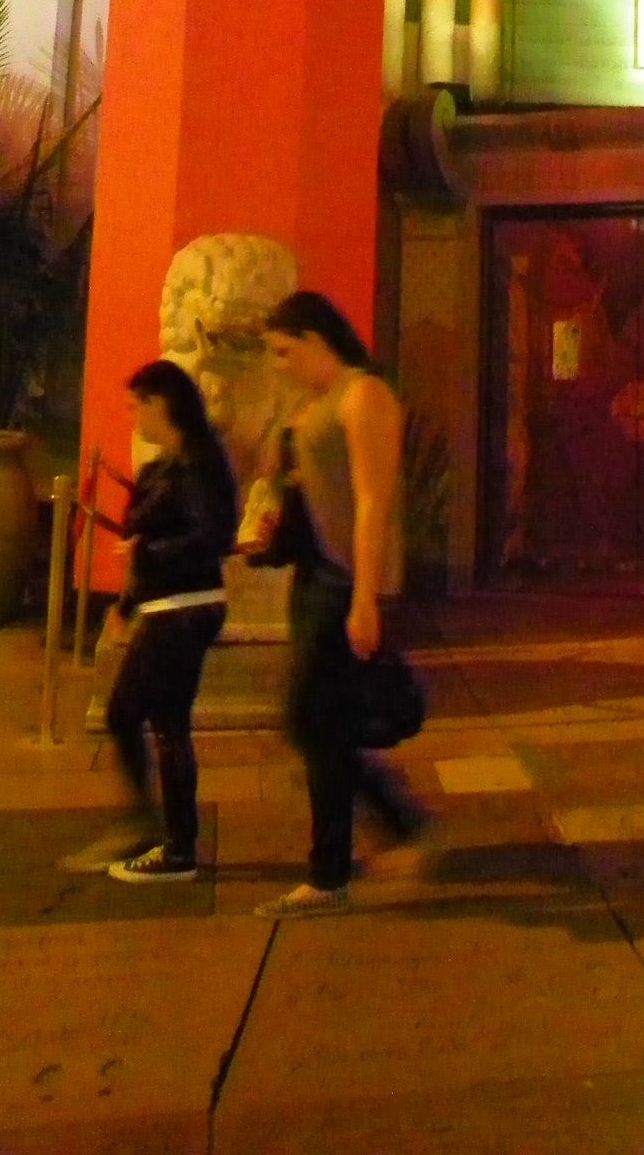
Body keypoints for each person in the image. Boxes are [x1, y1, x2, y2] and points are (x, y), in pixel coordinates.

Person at [246, 288, 429, 917]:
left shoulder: (362, 394)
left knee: (310, 720)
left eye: (284, 351)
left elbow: (375, 500)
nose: (280, 365)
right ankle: (390, 826)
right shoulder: (317, 403)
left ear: (315, 338)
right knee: (317, 722)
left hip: (344, 579)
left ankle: (334, 870)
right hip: (313, 574)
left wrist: (366, 597)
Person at [98, 361, 239, 885]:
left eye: (137, 405)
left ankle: (173, 844)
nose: (133, 417)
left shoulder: (198, 462)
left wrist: (147, 556)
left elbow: (212, 536)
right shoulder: (167, 465)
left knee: (146, 717)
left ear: (160, 403)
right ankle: (165, 835)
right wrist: (126, 603)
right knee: (150, 717)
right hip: (168, 605)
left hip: (184, 607)